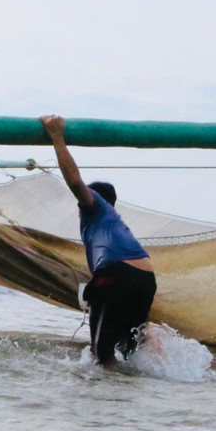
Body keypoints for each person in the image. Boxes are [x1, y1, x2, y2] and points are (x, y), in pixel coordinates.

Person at [40, 114, 156, 366]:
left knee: (101, 355)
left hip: (119, 275)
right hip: (145, 280)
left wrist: (56, 136)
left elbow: (73, 181)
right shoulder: (113, 224)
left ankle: (105, 402)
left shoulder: (96, 208)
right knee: (128, 350)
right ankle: (137, 396)